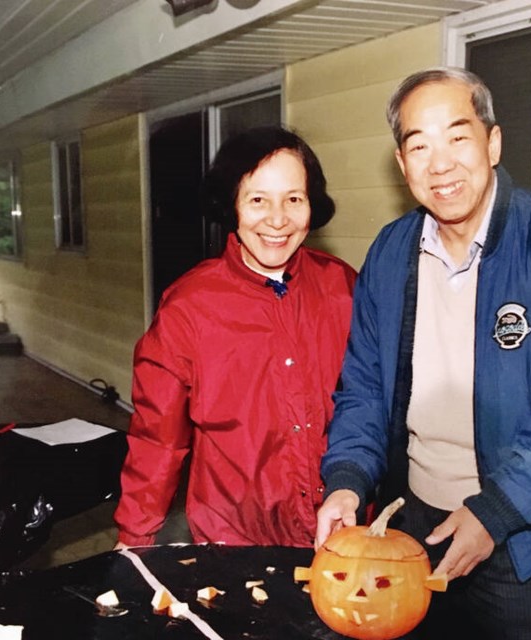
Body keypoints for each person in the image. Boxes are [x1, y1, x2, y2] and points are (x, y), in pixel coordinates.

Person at [315, 67, 531, 639]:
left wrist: (496, 512)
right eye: (419, 145)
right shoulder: (390, 254)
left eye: (458, 137)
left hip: (525, 539)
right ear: (402, 163)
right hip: (412, 528)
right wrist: (347, 479)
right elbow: (362, 383)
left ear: (493, 142)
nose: (441, 163)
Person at [114, 126, 357, 548]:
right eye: (258, 199)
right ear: (232, 205)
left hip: (338, 530)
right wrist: (135, 535)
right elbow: (157, 438)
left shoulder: (344, 287)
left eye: (293, 199)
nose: (278, 220)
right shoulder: (189, 307)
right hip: (233, 538)